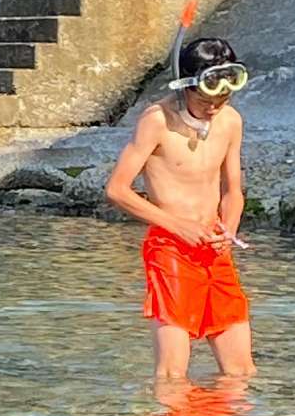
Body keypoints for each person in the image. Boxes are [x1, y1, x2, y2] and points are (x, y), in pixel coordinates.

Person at [104, 36, 254, 381]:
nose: (214, 108)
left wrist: (228, 230)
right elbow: (116, 189)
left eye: (224, 98)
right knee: (173, 374)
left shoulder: (230, 121)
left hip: (215, 247)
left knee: (240, 372)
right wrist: (175, 225)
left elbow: (233, 190)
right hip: (170, 248)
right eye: (206, 100)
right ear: (185, 86)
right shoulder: (157, 120)